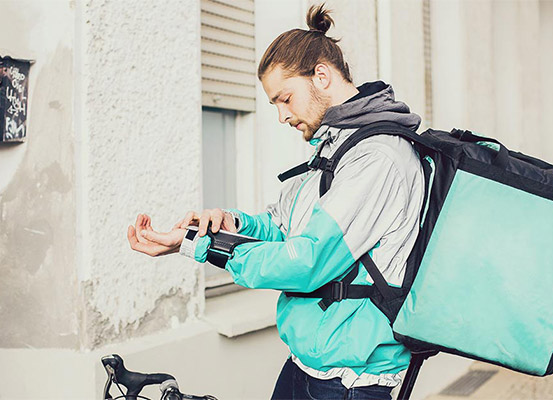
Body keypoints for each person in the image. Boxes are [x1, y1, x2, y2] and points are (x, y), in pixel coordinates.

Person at [127, 4, 424, 399]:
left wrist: (197, 247)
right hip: (307, 364)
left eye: (285, 99)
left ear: (322, 75)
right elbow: (281, 228)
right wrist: (228, 226)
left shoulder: (377, 159)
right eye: (274, 105)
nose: (282, 116)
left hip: (350, 382)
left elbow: (307, 261)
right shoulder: (333, 151)